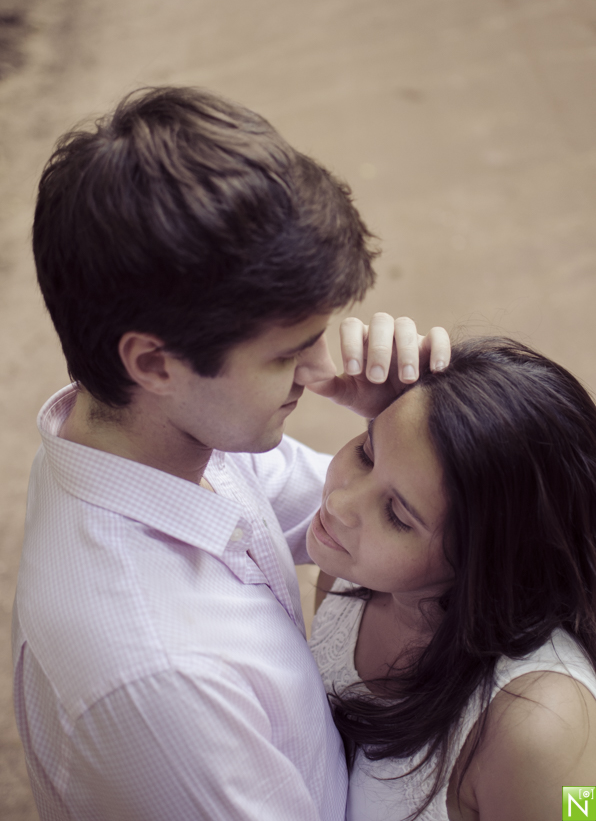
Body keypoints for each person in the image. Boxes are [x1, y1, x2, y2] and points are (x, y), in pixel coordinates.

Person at [12, 85, 450, 820]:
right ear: (155, 364)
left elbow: (358, 519)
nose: (321, 372)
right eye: (287, 354)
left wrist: (402, 427)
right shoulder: (160, 679)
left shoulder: (156, 437)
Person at [308, 337, 596, 821]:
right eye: (366, 453)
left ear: (482, 560)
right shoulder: (349, 574)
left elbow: (581, 810)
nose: (338, 504)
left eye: (397, 515)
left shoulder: (547, 730)